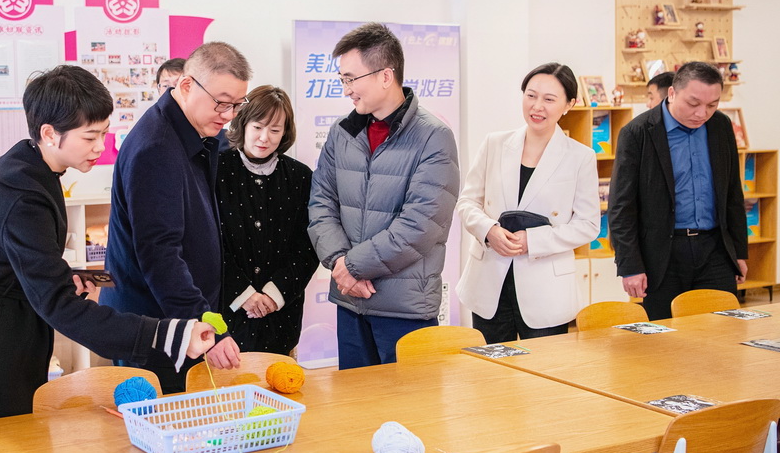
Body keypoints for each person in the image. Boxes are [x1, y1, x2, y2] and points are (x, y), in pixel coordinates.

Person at [0, 65, 217, 428]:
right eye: (90, 137)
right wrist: (171, 335)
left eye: (104, 134)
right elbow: (59, 306)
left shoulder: (35, 168)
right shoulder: (23, 195)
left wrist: (61, 275)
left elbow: (16, 264)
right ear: (49, 133)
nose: (100, 147)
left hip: (0, 334)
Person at [307, 22, 460, 369]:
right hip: (350, 304)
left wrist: (352, 267)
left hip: (404, 310)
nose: (346, 89)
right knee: (356, 400)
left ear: (386, 76)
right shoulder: (342, 132)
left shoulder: (433, 137)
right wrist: (340, 264)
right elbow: (321, 204)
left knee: (410, 402)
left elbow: (421, 224)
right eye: (342, 79)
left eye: (351, 79)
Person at [102, 42, 250, 392]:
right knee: (161, 421)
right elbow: (160, 253)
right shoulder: (157, 147)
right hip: (156, 327)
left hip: (175, 319)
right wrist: (205, 326)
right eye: (221, 102)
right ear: (186, 85)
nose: (228, 115)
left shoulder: (192, 134)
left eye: (237, 104)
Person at [455, 63, 601, 342]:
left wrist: (531, 241)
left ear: (569, 104)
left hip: (546, 287)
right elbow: (467, 201)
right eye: (531, 95)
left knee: (545, 366)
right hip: (489, 280)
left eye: (549, 99)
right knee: (492, 365)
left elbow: (588, 225)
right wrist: (489, 230)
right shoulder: (494, 144)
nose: (537, 106)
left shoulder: (580, 157)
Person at [607, 61, 748, 320]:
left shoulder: (721, 126)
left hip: (714, 249)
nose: (702, 113)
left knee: (722, 330)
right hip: (662, 253)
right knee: (665, 337)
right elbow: (621, 206)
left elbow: (732, 193)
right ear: (672, 93)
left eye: (712, 105)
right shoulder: (637, 132)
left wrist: (738, 252)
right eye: (693, 103)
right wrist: (630, 265)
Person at [216, 85, 319, 355]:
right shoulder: (215, 171)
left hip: (281, 317)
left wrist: (274, 294)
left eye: (275, 130)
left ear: (285, 132)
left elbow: (308, 246)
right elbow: (206, 244)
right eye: (258, 127)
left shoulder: (301, 177)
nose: (264, 138)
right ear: (243, 124)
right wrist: (244, 294)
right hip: (225, 316)